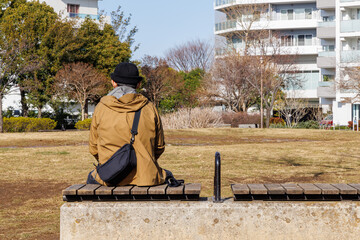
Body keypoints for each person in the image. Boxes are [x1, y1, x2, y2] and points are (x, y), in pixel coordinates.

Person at [87, 62, 166, 186]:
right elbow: (159, 147)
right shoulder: (150, 108)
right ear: (138, 84)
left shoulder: (101, 108)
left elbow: (93, 148)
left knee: (91, 178)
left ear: (113, 82)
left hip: (110, 177)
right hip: (146, 177)